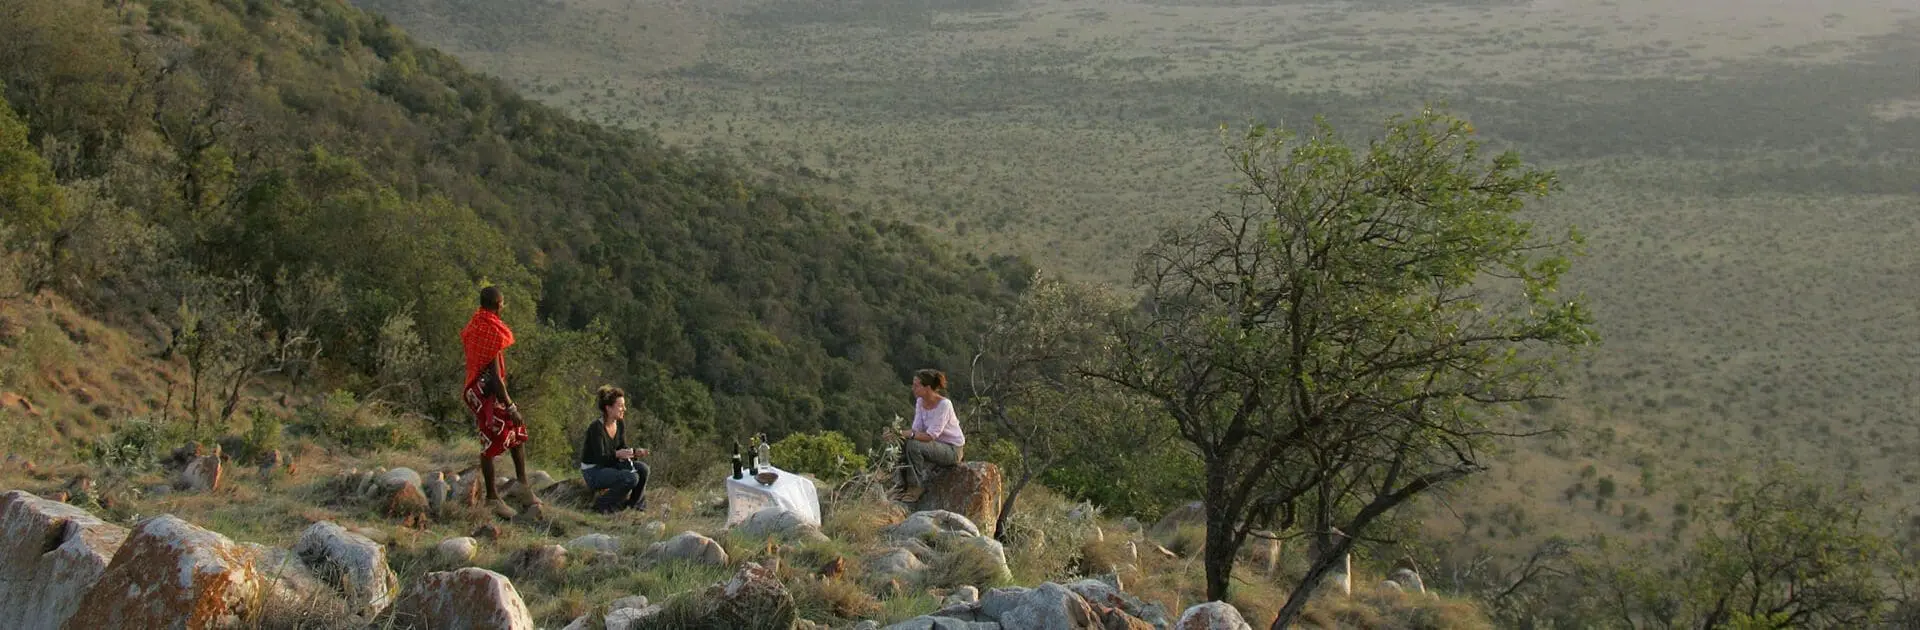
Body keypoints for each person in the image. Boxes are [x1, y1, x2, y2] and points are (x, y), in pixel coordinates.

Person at [461, 286, 537, 519]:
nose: (503, 306)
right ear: (498, 305)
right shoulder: (491, 331)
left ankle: (522, 484)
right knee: (491, 440)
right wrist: (511, 406)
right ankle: (492, 497)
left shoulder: (476, 323)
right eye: (502, 303)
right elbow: (495, 376)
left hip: (477, 387)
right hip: (486, 390)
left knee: (516, 432)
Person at [891, 368, 965, 503]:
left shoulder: (944, 405)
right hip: (934, 446)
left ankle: (916, 487)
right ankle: (901, 485)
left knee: (913, 445)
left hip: (952, 449)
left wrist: (906, 434)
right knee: (903, 442)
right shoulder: (920, 402)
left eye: (916, 385)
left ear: (928, 388)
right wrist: (896, 434)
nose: (913, 388)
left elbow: (931, 435)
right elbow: (916, 429)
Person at [580, 385, 649, 514]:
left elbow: (621, 447)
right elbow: (601, 458)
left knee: (643, 469)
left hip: (610, 464)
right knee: (631, 478)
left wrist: (634, 452)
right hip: (594, 471)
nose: (624, 409)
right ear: (609, 408)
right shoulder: (596, 428)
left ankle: (635, 506)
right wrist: (617, 454)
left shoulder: (620, 423)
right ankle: (601, 505)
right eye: (621, 406)